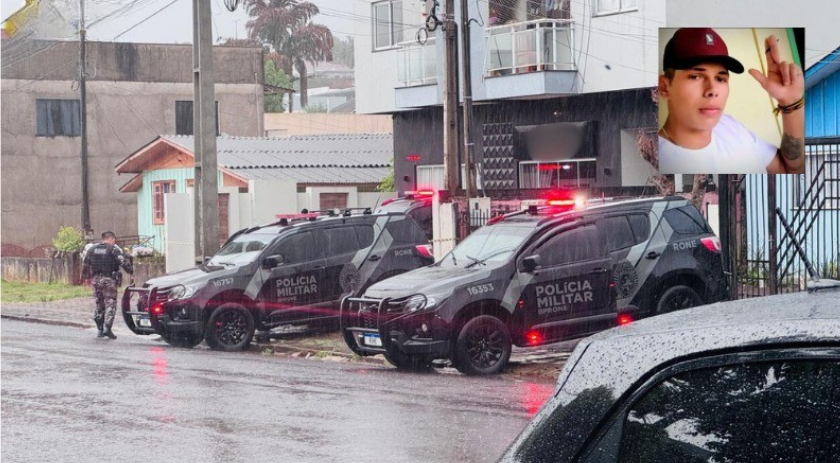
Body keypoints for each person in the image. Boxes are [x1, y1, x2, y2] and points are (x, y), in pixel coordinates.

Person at [658, 28, 805, 174]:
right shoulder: (656, 159)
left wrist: (791, 103)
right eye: (695, 76)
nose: (712, 90)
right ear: (664, 87)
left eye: (720, 78)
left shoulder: (730, 125)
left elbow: (789, 172)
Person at [82, 231, 133, 339]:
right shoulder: (113, 249)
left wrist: (86, 277)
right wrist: (130, 270)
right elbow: (123, 262)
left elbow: (85, 264)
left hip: (96, 280)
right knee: (110, 303)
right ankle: (107, 328)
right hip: (109, 280)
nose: (114, 242)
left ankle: (99, 330)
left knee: (99, 304)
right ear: (111, 239)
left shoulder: (92, 249)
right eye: (114, 240)